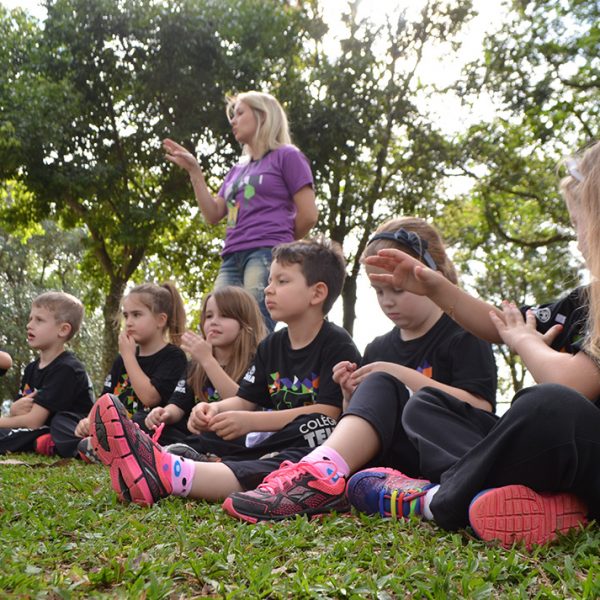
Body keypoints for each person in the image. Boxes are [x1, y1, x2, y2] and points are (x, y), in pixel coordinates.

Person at [344, 142, 600, 549]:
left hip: (587, 450)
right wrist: (436, 287)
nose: (576, 239)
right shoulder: (583, 301)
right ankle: (533, 502)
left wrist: (523, 341)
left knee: (549, 405)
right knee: (425, 404)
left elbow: (571, 385)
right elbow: (499, 324)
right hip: (569, 464)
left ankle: (433, 500)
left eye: (577, 223)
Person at [222, 217, 498, 522]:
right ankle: (324, 478)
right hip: (399, 465)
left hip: (456, 454)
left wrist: (399, 375)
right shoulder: (379, 348)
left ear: (432, 277)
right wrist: (349, 396)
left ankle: (317, 477)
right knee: (377, 389)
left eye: (397, 289)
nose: (388, 302)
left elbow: (481, 408)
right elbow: (366, 428)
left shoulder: (465, 332)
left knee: (383, 381)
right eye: (379, 292)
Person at [87, 237, 361, 507]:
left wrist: (250, 422)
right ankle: (175, 459)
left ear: (317, 293)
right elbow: (245, 400)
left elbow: (328, 412)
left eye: (282, 281)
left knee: (316, 428)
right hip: (270, 439)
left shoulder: (336, 343)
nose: (269, 289)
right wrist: (214, 409)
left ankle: (172, 471)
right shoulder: (272, 345)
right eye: (269, 281)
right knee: (215, 432)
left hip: (309, 440)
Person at [163, 91, 319, 331]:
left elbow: (308, 215)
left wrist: (279, 244)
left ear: (262, 116)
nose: (233, 121)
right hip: (231, 256)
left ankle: (259, 369)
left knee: (254, 326)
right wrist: (194, 171)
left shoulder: (287, 156)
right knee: (218, 325)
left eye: (239, 113)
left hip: (265, 252)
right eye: (232, 116)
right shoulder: (236, 170)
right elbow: (213, 213)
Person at [50, 282, 187, 459]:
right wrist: (89, 421)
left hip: (143, 427)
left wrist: (129, 357)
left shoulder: (173, 356)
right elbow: (105, 398)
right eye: (126, 315)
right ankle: (96, 448)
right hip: (111, 428)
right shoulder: (122, 358)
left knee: (141, 421)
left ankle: (98, 449)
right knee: (63, 420)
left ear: (161, 320)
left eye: (137, 315)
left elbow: (150, 397)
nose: (129, 322)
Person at [144, 285, 267, 448]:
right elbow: (178, 404)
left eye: (224, 315)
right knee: (143, 421)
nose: (214, 322)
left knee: (213, 435)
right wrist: (164, 413)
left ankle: (180, 454)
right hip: (196, 435)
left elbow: (244, 404)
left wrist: (208, 361)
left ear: (244, 321)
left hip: (234, 435)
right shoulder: (195, 365)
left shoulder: (257, 361)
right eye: (209, 316)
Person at [0, 292, 94, 454]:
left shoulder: (67, 368)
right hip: (39, 429)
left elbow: (33, 421)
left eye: (39, 320)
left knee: (59, 422)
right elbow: (23, 413)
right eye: (30, 319)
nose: (29, 325)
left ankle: (68, 447)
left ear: (63, 330)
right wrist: (14, 410)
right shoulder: (31, 368)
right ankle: (44, 444)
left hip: (67, 429)